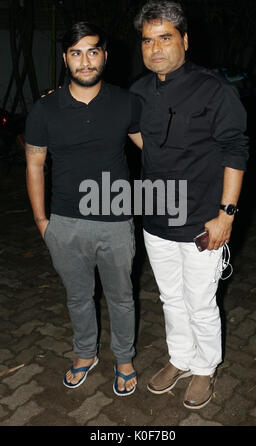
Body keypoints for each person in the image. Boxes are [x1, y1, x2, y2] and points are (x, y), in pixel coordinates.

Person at [129, 0, 249, 409]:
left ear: (184, 39)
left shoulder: (215, 90)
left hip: (202, 219)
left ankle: (205, 367)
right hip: (156, 218)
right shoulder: (139, 90)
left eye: (165, 38)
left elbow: (235, 150)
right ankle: (179, 358)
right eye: (148, 40)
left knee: (200, 300)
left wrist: (226, 214)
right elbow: (134, 131)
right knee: (170, 297)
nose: (155, 48)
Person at [24, 21, 140, 395]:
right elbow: (34, 165)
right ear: (65, 58)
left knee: (122, 296)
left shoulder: (126, 102)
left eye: (93, 51)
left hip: (117, 221)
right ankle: (85, 353)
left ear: (104, 55)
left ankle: (124, 357)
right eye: (76, 52)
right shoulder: (45, 109)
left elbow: (154, 152)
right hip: (66, 222)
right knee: (78, 296)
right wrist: (43, 221)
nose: (85, 61)